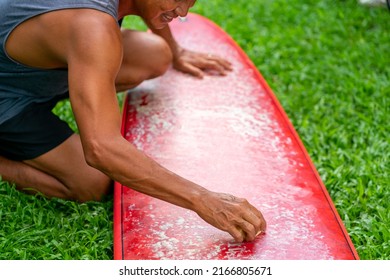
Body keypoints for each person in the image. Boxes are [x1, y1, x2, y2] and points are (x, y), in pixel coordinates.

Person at [0, 0, 266, 242]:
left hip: (32, 71)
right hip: (7, 96)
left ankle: (84, 93)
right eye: (179, 0)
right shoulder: (92, 26)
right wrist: (202, 199)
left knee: (156, 54)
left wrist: (176, 51)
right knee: (90, 182)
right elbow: (101, 149)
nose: (184, 12)